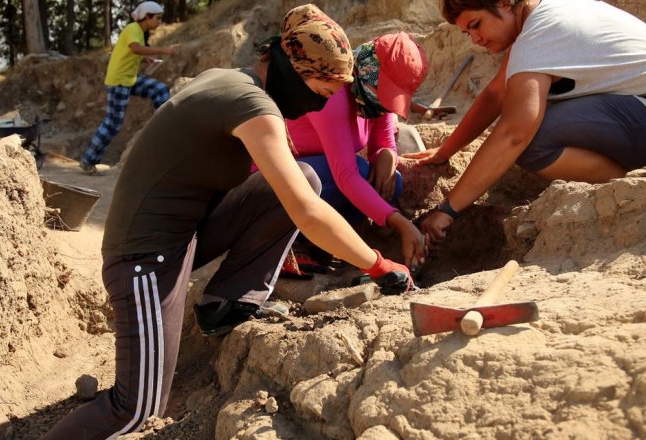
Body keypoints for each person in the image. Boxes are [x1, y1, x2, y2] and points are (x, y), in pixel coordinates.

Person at [42, 5, 412, 439]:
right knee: (136, 408)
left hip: (185, 234)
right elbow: (307, 212)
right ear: (294, 70)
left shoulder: (237, 81)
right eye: (321, 89)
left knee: (305, 177)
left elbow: (287, 188)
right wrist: (378, 264)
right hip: (143, 256)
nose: (323, 102)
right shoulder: (253, 106)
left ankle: (226, 304)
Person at [406, 0, 646, 248]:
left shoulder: (540, 33)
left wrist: (447, 211)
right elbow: (496, 94)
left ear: (504, 3)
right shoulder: (543, 17)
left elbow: (514, 134)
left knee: (532, 136)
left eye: (476, 25)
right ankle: (638, 177)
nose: (475, 39)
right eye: (466, 33)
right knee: (529, 109)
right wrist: (445, 151)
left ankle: (635, 186)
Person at [284, 32, 428, 270]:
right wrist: (402, 224)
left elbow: (383, 141)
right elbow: (345, 176)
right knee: (360, 172)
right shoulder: (332, 93)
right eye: (382, 91)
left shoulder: (373, 101)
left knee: (390, 184)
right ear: (367, 68)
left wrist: (387, 154)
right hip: (273, 183)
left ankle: (319, 241)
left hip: (319, 179)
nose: (385, 102)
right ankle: (289, 242)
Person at [79, 1, 175, 175]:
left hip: (130, 79)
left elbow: (131, 52)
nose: (159, 22)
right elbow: (135, 48)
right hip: (119, 81)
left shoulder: (139, 32)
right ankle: (88, 161)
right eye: (158, 18)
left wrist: (146, 60)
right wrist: (162, 50)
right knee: (112, 124)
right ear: (147, 16)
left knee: (160, 90)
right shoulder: (133, 28)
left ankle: (161, 127)